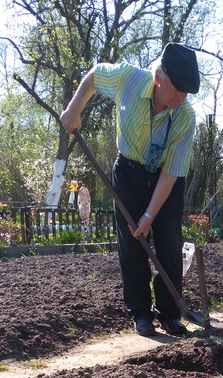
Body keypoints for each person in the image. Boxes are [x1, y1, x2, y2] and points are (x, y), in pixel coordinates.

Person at [60, 42, 200, 337]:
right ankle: (140, 313)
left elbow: (172, 171)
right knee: (132, 243)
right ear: (159, 77)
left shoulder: (185, 116)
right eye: (178, 88)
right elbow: (96, 75)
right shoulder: (129, 79)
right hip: (129, 173)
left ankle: (171, 313)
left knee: (169, 244)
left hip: (165, 179)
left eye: (187, 91)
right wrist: (74, 110)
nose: (182, 97)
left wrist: (150, 215)